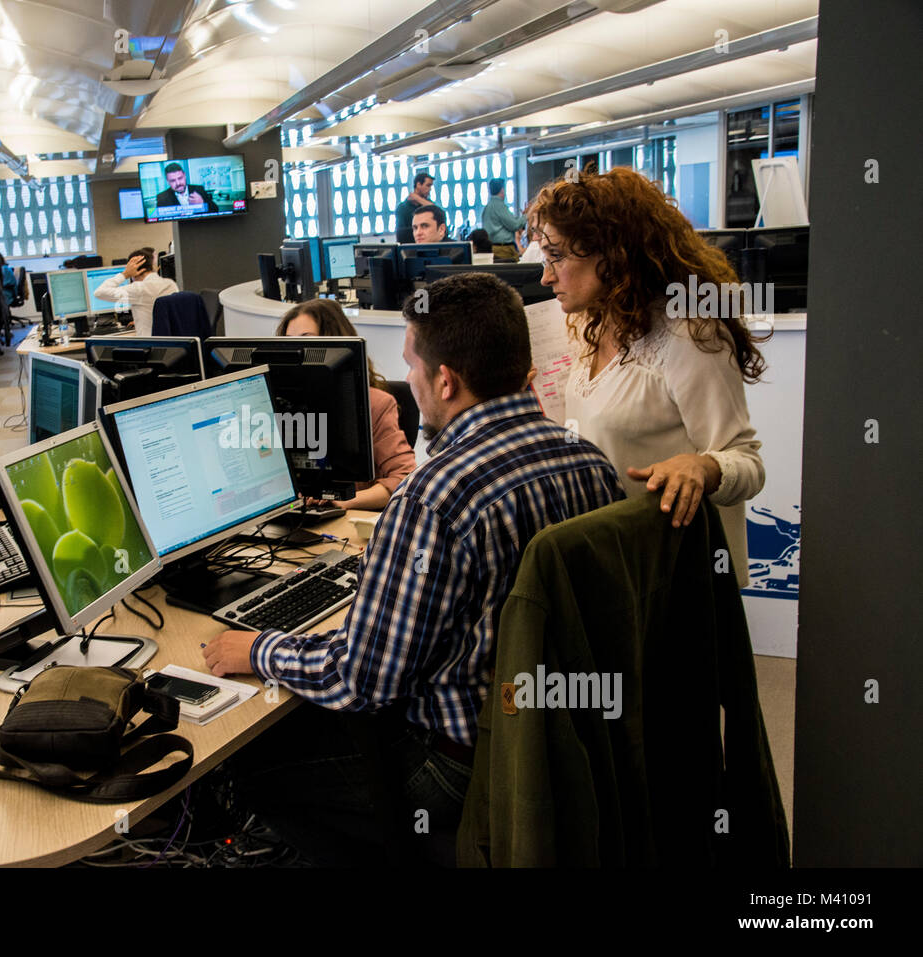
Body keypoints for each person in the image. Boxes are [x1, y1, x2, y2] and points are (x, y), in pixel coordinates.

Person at [202, 273, 623, 865]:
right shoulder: (591, 462)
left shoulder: (434, 497)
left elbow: (362, 681)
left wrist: (258, 649)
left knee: (247, 763)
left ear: (445, 380)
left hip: (457, 764)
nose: (411, 384)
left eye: (412, 367)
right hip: (562, 737)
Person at [530, 165, 765, 584]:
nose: (547, 276)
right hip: (613, 559)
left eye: (558, 257)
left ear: (613, 253)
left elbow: (747, 463)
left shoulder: (690, 335)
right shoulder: (589, 325)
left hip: (673, 573)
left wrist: (702, 467)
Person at [275, 299, 416, 510]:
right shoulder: (275, 405)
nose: (295, 351)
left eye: (307, 340)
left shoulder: (375, 404)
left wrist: (343, 501)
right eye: (288, 342)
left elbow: (405, 478)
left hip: (345, 522)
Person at [92, 247, 179, 337]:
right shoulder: (171, 284)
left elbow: (99, 292)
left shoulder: (139, 289)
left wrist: (125, 274)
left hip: (151, 346)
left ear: (134, 269)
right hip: (173, 344)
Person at [481, 178, 526, 263]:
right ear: (502, 190)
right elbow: (514, 225)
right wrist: (526, 216)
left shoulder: (488, 206)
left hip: (494, 247)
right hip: (503, 249)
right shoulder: (499, 205)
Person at [395, 171, 438, 244]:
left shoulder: (427, 204)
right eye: (428, 185)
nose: (430, 189)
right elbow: (401, 234)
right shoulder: (402, 208)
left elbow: (437, 212)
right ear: (418, 185)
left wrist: (418, 198)